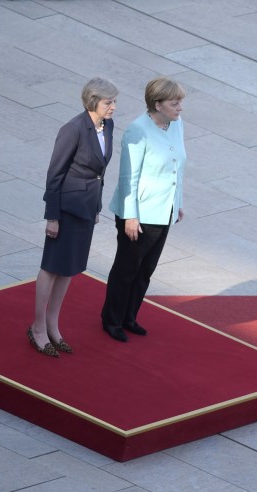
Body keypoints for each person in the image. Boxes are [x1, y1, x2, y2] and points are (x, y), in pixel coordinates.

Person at [28, 77, 118, 357]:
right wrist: (51, 216)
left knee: (70, 266)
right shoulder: (73, 129)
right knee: (52, 265)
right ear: (93, 102)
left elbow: (99, 172)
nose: (114, 106)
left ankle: (53, 325)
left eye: (114, 101)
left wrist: (96, 207)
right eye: (108, 102)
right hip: (66, 208)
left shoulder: (107, 125)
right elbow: (54, 175)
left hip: (85, 208)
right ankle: (38, 327)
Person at [101, 76, 186, 342]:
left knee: (145, 270)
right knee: (126, 269)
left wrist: (178, 203)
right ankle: (112, 320)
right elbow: (129, 177)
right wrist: (130, 216)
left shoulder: (176, 123)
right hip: (138, 215)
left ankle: (130, 317)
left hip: (163, 212)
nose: (180, 107)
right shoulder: (138, 130)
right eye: (175, 103)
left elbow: (177, 164)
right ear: (158, 105)